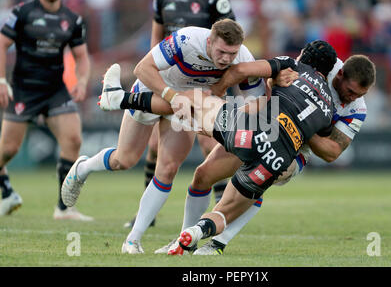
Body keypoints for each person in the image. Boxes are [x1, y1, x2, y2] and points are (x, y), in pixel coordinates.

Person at [104, 42, 376, 255]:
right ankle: (190, 237)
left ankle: (216, 243)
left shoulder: (350, 104)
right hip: (271, 139)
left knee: (200, 110)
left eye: (358, 96)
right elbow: (259, 79)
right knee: (204, 176)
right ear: (337, 73)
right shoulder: (320, 83)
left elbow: (331, 152)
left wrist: (296, 122)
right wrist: (297, 114)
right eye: (351, 92)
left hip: (290, 149)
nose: (352, 99)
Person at [61, 19, 267, 253]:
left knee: (167, 169)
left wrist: (232, 112)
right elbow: (142, 69)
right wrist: (173, 96)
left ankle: (133, 240)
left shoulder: (244, 58)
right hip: (155, 90)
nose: (226, 59)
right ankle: (83, 168)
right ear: (210, 42)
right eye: (221, 51)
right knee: (124, 160)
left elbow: (257, 103)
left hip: (186, 106)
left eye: (232, 53)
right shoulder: (187, 40)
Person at [123, 0, 237, 229]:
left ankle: (222, 209)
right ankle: (147, 216)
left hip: (207, 82)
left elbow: (230, 41)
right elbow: (157, 35)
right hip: (172, 80)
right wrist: (156, 72)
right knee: (154, 147)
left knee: (210, 144)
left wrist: (218, 87)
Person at [0, 0, 92, 220]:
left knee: (73, 140)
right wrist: (0, 81)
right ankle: (6, 189)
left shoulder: (73, 20)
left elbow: (82, 57)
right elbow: (2, 44)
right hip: (24, 89)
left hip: (55, 90)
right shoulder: (22, 12)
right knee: (7, 150)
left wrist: (82, 81)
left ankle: (64, 208)